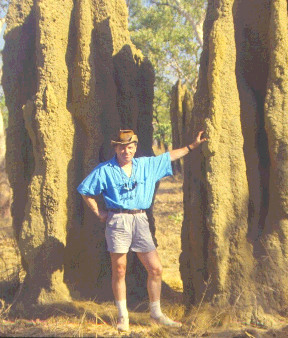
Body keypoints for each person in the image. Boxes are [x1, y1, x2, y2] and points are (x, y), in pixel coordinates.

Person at [78, 128, 207, 333]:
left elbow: (170, 156)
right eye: (121, 148)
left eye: (130, 147)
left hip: (140, 219)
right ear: (116, 148)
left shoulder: (147, 165)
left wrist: (192, 146)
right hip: (117, 219)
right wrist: (99, 213)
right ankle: (123, 316)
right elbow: (85, 190)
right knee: (119, 269)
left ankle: (156, 314)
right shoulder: (105, 170)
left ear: (135, 148)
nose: (126, 151)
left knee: (155, 269)